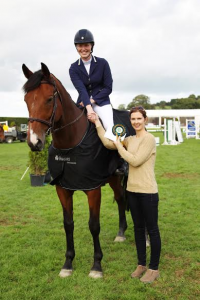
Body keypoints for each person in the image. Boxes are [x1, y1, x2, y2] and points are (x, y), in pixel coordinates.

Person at [91, 106, 161, 283]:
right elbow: (108, 143)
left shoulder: (149, 139)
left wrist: (119, 147)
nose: (136, 122)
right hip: (132, 191)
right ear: (130, 122)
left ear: (145, 120)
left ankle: (153, 268)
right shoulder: (129, 139)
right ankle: (141, 265)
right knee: (138, 230)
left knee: (152, 230)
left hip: (148, 192)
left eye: (139, 118)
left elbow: (135, 161)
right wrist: (97, 123)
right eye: (133, 119)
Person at [69, 29, 114, 132]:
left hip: (102, 103)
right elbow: (81, 89)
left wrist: (92, 100)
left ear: (91, 46)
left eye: (86, 45)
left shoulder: (103, 63)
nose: (83, 49)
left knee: (109, 128)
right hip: (82, 104)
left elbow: (108, 87)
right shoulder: (73, 68)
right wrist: (89, 108)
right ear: (76, 47)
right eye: (80, 46)